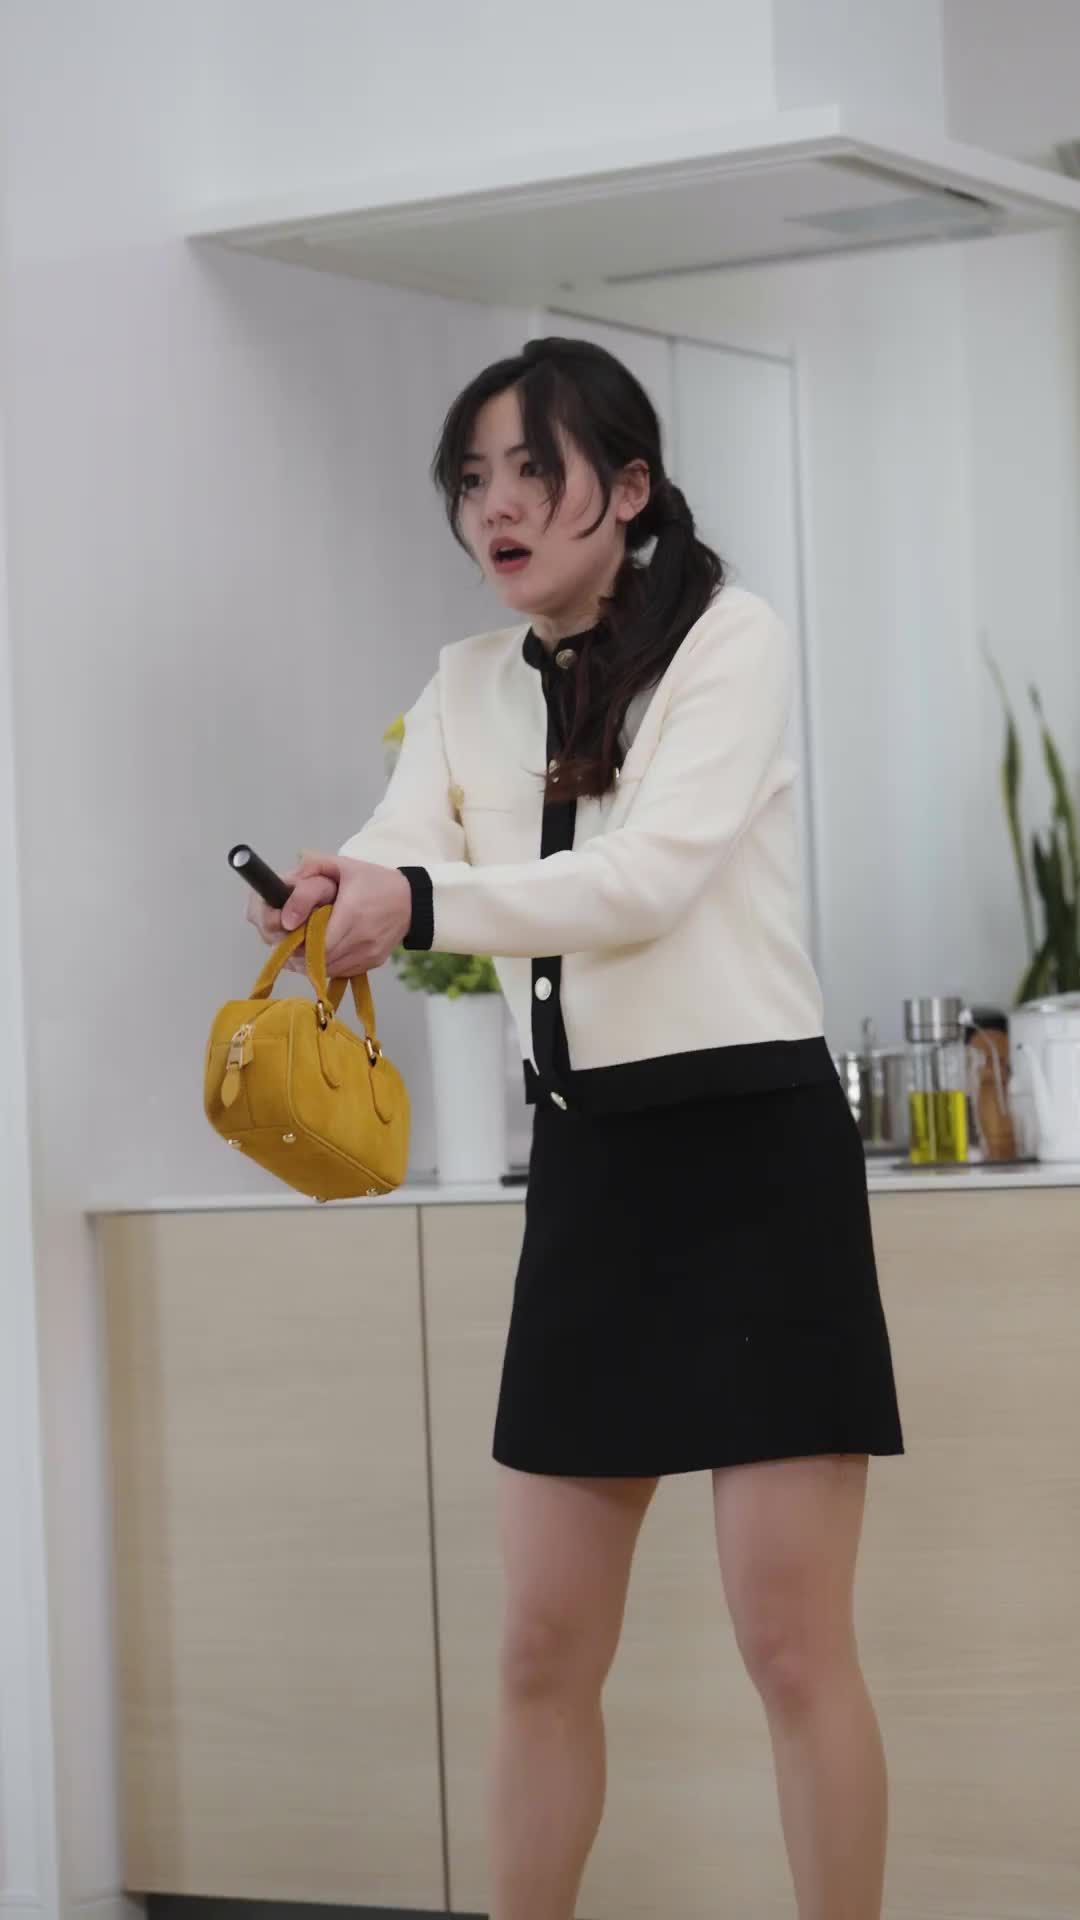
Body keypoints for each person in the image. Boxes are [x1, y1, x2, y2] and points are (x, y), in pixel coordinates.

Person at [248, 336, 904, 1920]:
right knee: (541, 1647)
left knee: (791, 1645)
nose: (497, 506)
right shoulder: (465, 684)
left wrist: (420, 904)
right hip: (593, 1174)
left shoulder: (730, 641)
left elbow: (646, 880)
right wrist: (341, 891)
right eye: (473, 479)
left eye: (533, 472)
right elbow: (402, 843)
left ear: (629, 487)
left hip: (754, 1160)